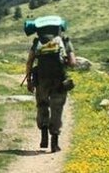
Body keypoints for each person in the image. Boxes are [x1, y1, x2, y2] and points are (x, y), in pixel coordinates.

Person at [24, 19, 74, 153]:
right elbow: (73, 62)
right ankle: (55, 143)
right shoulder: (64, 41)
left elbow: (29, 62)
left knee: (42, 105)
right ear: (59, 28)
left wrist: (29, 80)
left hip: (42, 79)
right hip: (59, 80)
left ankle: (44, 134)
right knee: (57, 109)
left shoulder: (37, 43)